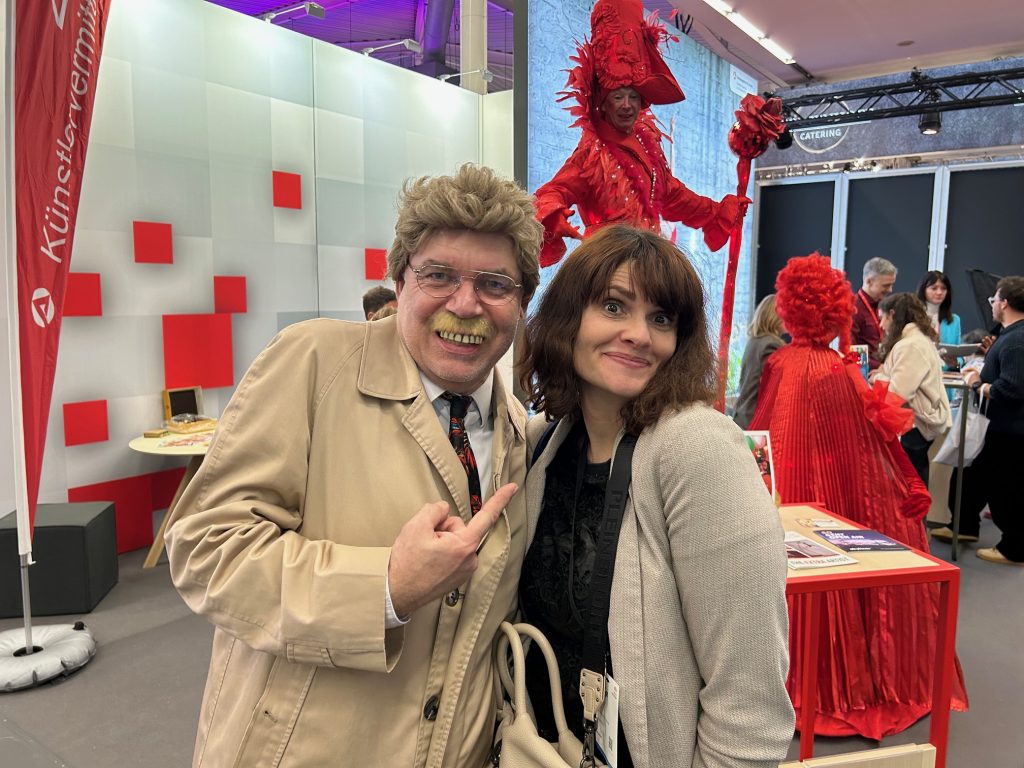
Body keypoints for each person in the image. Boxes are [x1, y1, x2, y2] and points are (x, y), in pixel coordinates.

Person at [164, 164, 543, 767]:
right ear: (400, 282)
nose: (466, 304)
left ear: (520, 303)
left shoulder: (518, 432)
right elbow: (207, 549)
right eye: (439, 275)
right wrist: (384, 587)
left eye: (495, 284)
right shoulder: (315, 364)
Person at [518, 225, 794, 768]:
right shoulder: (547, 443)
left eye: (661, 318)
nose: (640, 335)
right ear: (567, 318)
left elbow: (750, 704)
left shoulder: (695, 448)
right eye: (614, 307)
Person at [749, 253, 967, 739]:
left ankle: (790, 680)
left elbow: (761, 429)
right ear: (834, 311)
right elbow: (874, 435)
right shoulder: (838, 369)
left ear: (789, 308)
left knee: (789, 575)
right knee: (844, 569)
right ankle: (846, 684)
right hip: (836, 488)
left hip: (788, 486)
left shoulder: (780, 364)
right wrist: (906, 483)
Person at [532, 0, 747, 267]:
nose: (627, 105)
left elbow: (673, 196)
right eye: (618, 96)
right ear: (603, 103)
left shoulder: (648, 146)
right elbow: (554, 190)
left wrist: (718, 211)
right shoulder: (592, 153)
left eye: (633, 96)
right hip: (606, 267)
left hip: (647, 264)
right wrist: (551, 213)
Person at [946, 277, 1024, 565]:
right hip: (1004, 428)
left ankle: (1014, 549)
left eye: (994, 300)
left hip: (1010, 430)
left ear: (1004, 303)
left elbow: (1011, 389)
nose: (992, 305)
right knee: (979, 478)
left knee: (1007, 490)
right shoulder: (1011, 335)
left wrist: (978, 383)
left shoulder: (1015, 341)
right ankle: (966, 526)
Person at [873, 292, 951, 484]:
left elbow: (899, 393)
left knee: (911, 482)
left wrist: (878, 377)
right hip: (916, 423)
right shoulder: (916, 341)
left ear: (892, 314)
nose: (881, 325)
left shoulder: (910, 345)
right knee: (915, 478)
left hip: (913, 425)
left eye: (882, 318)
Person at [734, 293, 786, 429]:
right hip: (756, 422)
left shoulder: (754, 342)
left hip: (743, 416)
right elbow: (774, 388)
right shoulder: (771, 345)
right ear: (775, 315)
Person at [851, 257, 897, 369]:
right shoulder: (853, 309)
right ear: (869, 281)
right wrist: (880, 367)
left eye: (891, 285)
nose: (890, 290)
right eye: (886, 285)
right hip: (866, 373)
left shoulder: (884, 306)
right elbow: (851, 350)